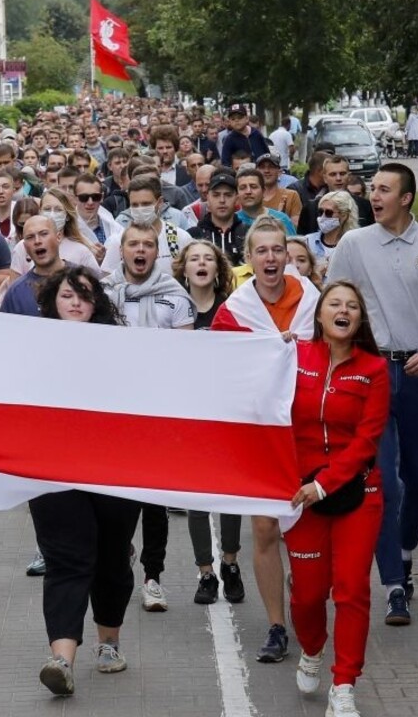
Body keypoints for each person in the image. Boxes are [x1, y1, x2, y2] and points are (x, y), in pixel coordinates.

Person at [326, 163, 418, 626]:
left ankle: (405, 555)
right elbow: (332, 307)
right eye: (372, 190)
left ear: (406, 198)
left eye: (384, 190)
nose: (374, 196)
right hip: (371, 375)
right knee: (384, 483)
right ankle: (392, 587)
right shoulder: (354, 244)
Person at [29, 265, 142, 697]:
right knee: (66, 559)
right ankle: (62, 659)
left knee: (111, 556)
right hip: (52, 470)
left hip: (114, 469)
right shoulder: (29, 347)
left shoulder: (121, 347)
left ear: (98, 303)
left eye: (85, 295)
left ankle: (108, 643)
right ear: (52, 302)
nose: (76, 302)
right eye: (67, 295)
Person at [212, 215, 320, 663]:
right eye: (262, 251)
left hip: (309, 431)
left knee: (307, 525)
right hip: (259, 432)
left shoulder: (314, 300)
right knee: (263, 526)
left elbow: (339, 347)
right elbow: (219, 369)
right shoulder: (234, 310)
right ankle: (277, 625)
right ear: (249, 258)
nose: (271, 258)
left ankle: (306, 601)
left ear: (288, 256)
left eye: (278, 250)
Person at [287, 280, 390, 717]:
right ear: (320, 315)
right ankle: (312, 648)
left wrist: (325, 483)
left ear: (359, 319)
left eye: (351, 306)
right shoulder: (294, 357)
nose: (343, 310)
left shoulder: (375, 369)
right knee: (308, 596)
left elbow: (367, 440)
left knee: (351, 590)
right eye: (335, 304)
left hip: (358, 493)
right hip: (300, 497)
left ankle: (344, 683)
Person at [106, 221, 195, 612]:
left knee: (155, 502)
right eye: (133, 244)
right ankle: (118, 556)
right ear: (122, 250)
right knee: (119, 497)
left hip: (159, 412)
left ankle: (153, 577)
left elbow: (185, 354)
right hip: (117, 414)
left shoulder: (174, 295)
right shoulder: (105, 292)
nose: (139, 250)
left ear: (155, 252)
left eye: (147, 244)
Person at [171, 240, 247, 604]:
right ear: (183, 269)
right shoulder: (175, 309)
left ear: (218, 269)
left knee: (230, 492)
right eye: (193, 259)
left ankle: (230, 563)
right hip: (189, 415)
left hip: (226, 414)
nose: (201, 264)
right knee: (196, 495)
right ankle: (206, 573)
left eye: (207, 259)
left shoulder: (232, 309)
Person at [0, 215, 68, 316]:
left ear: (58, 237)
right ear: (25, 247)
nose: (37, 241)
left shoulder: (82, 280)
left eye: (44, 234)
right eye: (30, 237)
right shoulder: (16, 292)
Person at [304, 190, 360, 278]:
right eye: (320, 212)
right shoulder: (307, 241)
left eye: (328, 213)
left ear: (344, 215)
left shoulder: (354, 245)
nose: (323, 217)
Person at [235, 169, 297, 235]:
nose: (248, 191)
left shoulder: (281, 219)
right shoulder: (232, 221)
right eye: (243, 188)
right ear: (237, 194)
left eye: (253, 187)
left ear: (263, 191)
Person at [257, 154, 302, 228]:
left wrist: (283, 217)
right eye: (262, 167)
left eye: (271, 167)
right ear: (256, 171)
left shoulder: (291, 195)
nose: (266, 171)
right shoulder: (251, 196)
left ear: (280, 172)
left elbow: (296, 228)